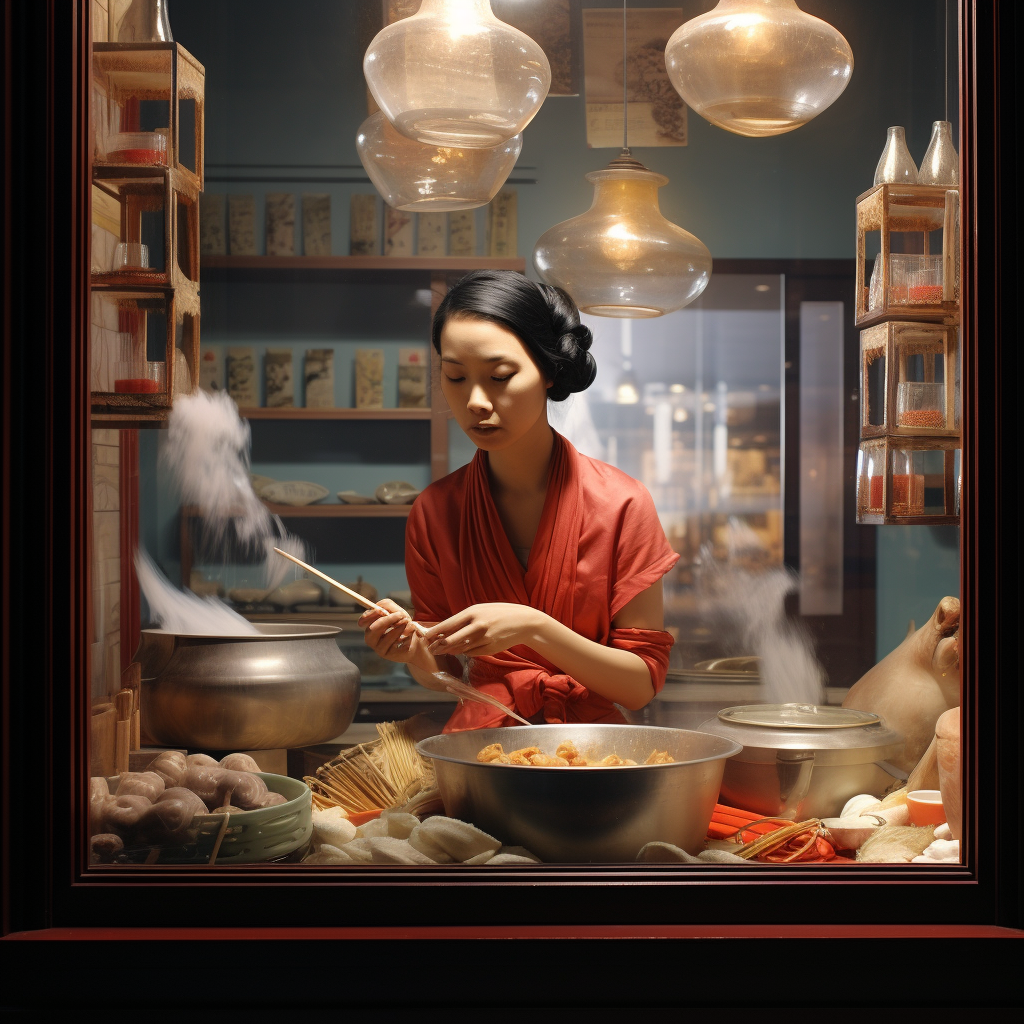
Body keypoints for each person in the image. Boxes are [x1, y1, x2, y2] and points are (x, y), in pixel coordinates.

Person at [359, 270, 678, 732]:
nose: (475, 401)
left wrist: (535, 627)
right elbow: (443, 676)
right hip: (482, 754)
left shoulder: (623, 505)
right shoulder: (434, 511)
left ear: (549, 371)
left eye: (500, 376)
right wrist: (412, 650)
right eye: (455, 376)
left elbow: (640, 685)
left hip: (592, 754)